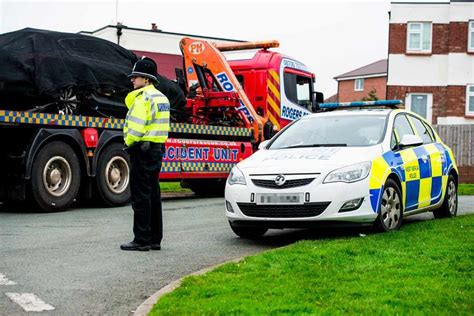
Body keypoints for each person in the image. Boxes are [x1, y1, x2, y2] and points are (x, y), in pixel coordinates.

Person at [120, 57, 170, 251]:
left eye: (136, 77)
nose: (132, 80)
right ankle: (154, 239)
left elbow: (136, 127)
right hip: (157, 150)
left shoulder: (143, 99)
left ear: (147, 79)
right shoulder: (162, 98)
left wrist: (128, 143)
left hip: (142, 150)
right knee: (153, 195)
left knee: (141, 197)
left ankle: (141, 239)